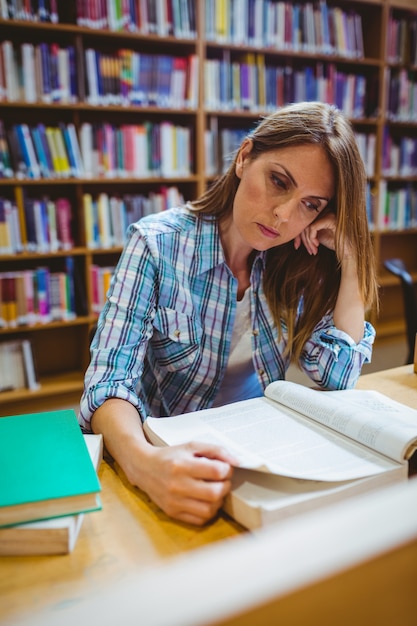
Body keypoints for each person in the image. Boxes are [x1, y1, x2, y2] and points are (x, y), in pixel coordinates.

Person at [79, 101, 378, 526]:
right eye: (278, 182)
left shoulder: (297, 261)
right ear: (244, 158)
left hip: (252, 464)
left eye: (311, 205)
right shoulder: (157, 245)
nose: (284, 214)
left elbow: (337, 374)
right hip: (163, 460)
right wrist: (144, 463)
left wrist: (350, 263)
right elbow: (109, 382)